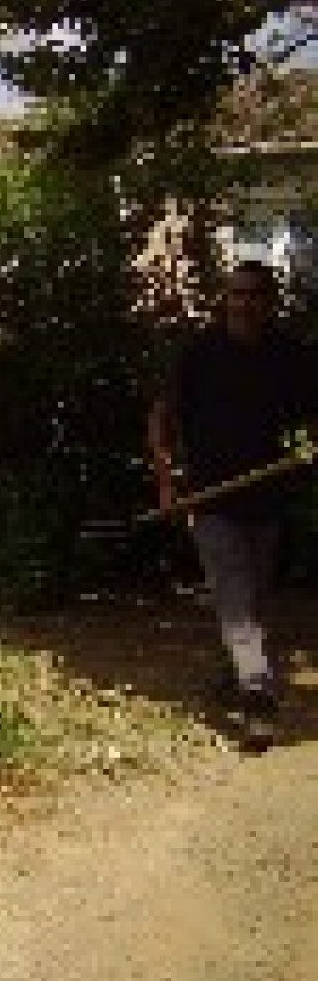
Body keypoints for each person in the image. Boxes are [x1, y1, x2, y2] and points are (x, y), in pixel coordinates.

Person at [147, 259, 318, 749]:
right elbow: (161, 418)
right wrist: (166, 481)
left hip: (267, 497)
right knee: (235, 593)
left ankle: (232, 672)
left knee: (251, 599)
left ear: (270, 302)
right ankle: (258, 694)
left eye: (254, 295)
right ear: (225, 299)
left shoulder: (290, 357)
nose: (243, 304)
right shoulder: (199, 353)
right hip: (211, 498)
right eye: (236, 294)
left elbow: (310, 415)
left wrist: (306, 444)